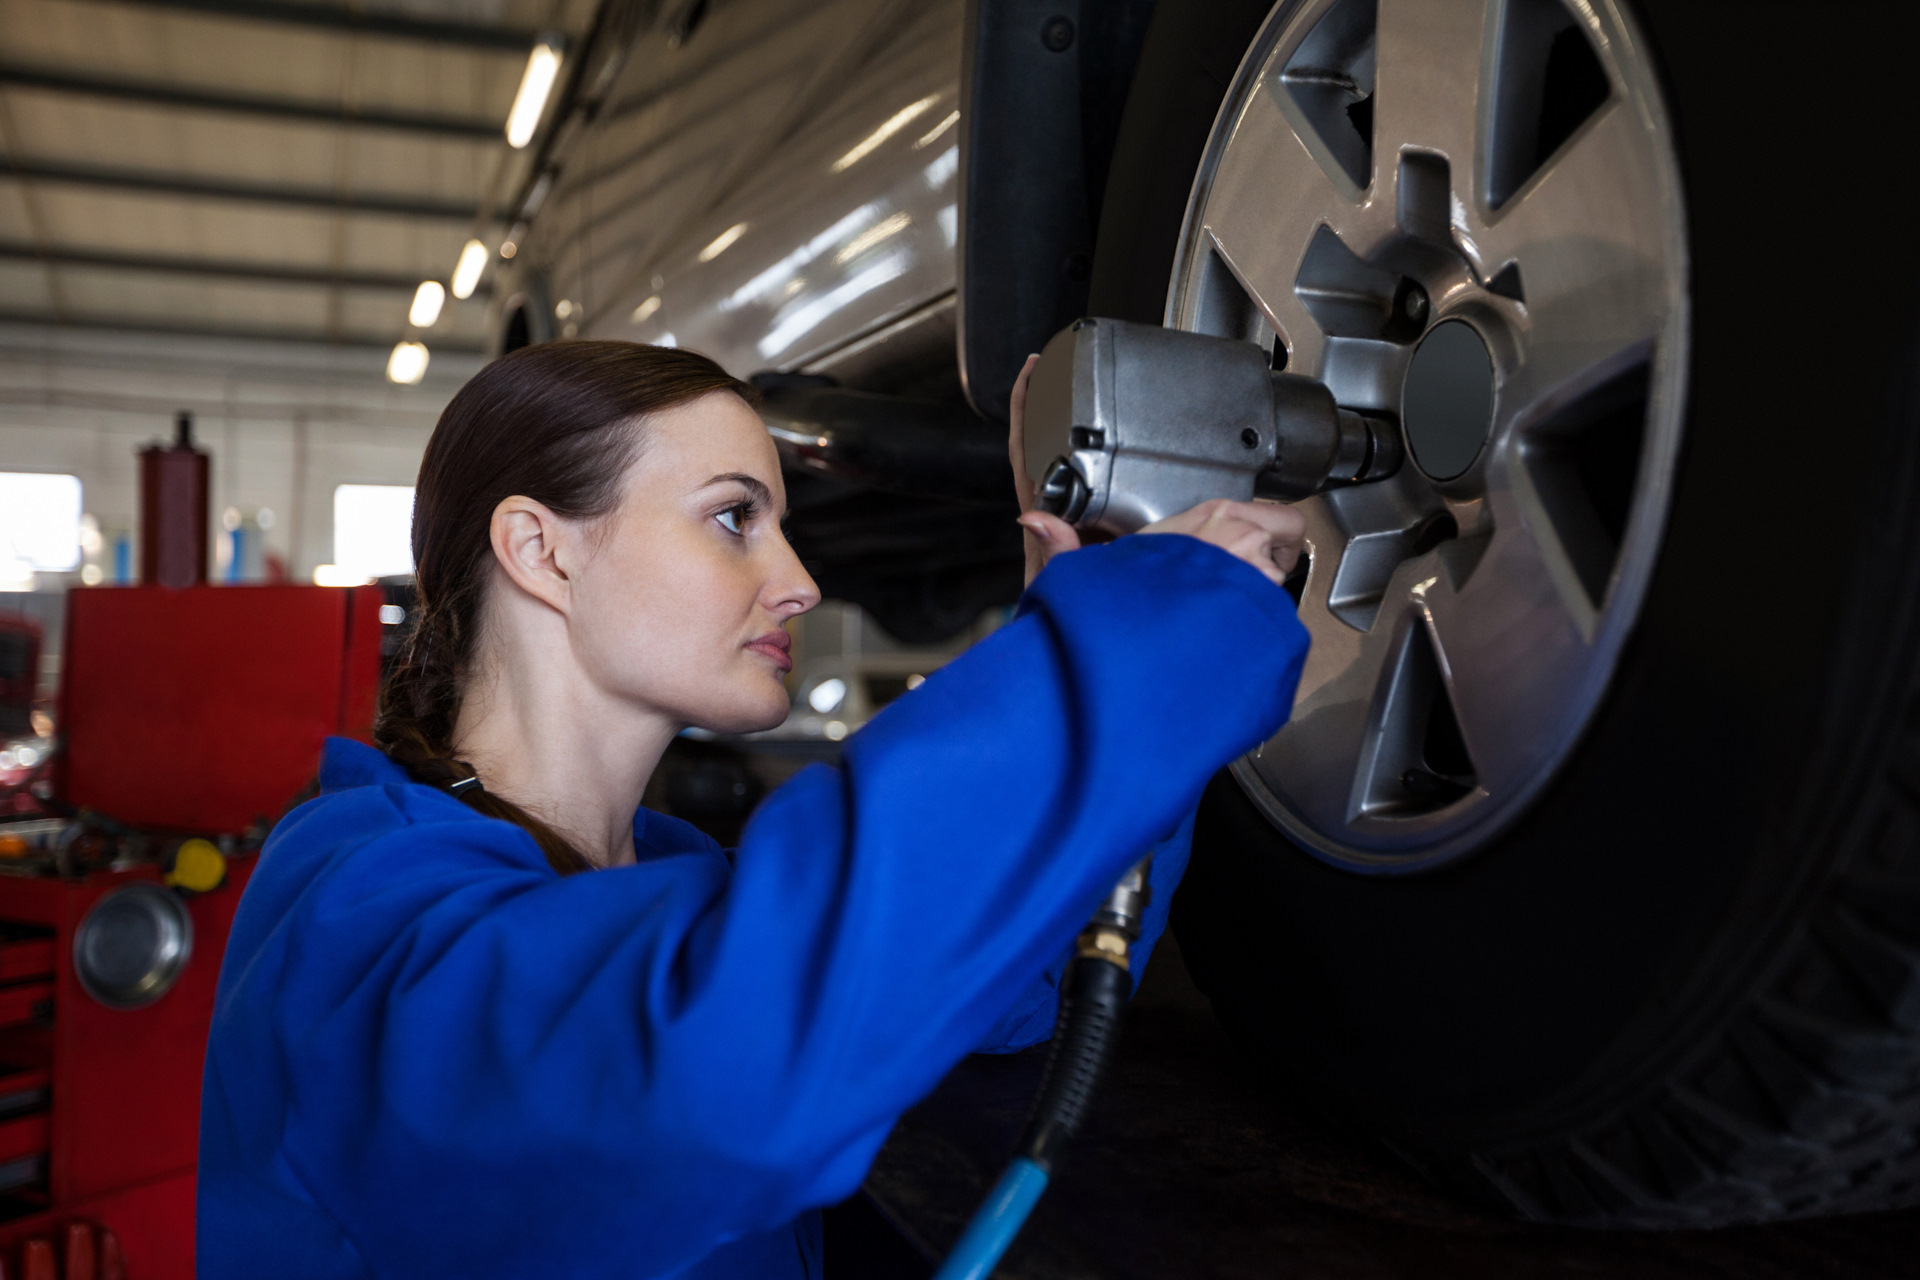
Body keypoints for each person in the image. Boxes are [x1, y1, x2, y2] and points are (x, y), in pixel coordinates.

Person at [198, 341, 1309, 1278]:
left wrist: (1080, 643)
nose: (801, 580)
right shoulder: (349, 896)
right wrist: (1125, 651)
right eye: (734, 517)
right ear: (541, 550)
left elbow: (1021, 992)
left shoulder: (671, 881)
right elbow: (700, 1077)